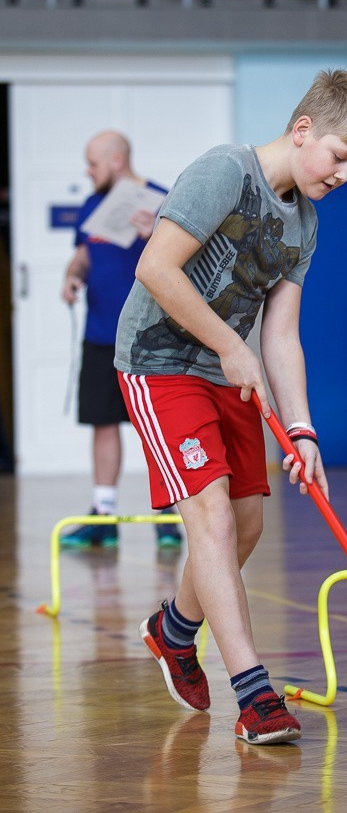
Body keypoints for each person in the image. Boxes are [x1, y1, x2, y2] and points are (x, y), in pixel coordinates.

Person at [114, 68, 347, 746]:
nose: (345, 174)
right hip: (160, 360)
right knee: (208, 515)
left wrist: (303, 430)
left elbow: (283, 335)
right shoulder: (225, 172)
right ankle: (254, 694)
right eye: (341, 156)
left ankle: (174, 630)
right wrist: (232, 347)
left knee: (247, 522)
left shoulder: (306, 224)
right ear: (302, 131)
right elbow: (155, 269)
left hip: (227, 368)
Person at [60, 130, 182, 549]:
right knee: (102, 422)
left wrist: (152, 234)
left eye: (92, 163)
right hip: (99, 336)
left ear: (114, 161)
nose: (87, 171)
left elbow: (184, 261)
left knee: (155, 427)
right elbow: (83, 254)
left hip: (148, 337)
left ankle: (166, 515)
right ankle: (104, 515)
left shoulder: (162, 202)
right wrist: (71, 277)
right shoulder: (93, 204)